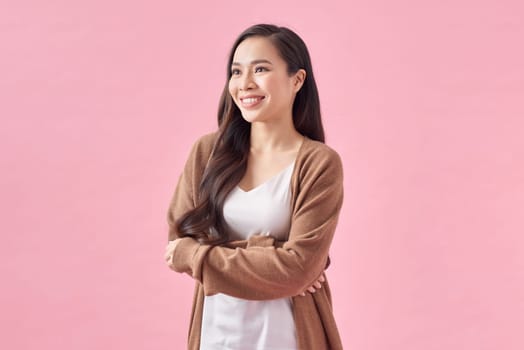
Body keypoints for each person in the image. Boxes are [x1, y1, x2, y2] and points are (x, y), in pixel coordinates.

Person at [164, 23, 344, 350]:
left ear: (297, 79)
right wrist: (274, 257)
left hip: (289, 335)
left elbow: (298, 268)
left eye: (260, 69)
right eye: (236, 72)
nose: (245, 84)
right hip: (217, 332)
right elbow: (178, 244)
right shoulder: (207, 154)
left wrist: (201, 257)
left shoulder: (319, 163)